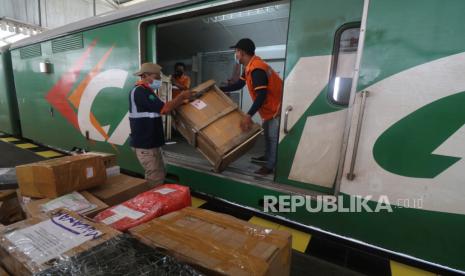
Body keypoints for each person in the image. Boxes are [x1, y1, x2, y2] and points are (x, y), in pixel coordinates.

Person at [220, 38, 283, 176]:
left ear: (242, 52)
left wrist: (248, 115)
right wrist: (220, 89)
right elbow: (239, 85)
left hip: (276, 107)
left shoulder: (256, 69)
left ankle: (270, 165)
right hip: (268, 108)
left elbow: (261, 95)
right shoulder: (249, 67)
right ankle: (267, 157)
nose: (235, 54)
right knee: (267, 134)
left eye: (236, 51)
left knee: (273, 137)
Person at [129, 62, 192, 187]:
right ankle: (150, 204)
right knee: (155, 179)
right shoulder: (140, 92)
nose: (159, 80)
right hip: (145, 145)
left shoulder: (148, 92)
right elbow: (164, 109)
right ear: (145, 75)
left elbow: (160, 111)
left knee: (159, 173)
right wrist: (181, 97)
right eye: (156, 77)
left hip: (152, 143)